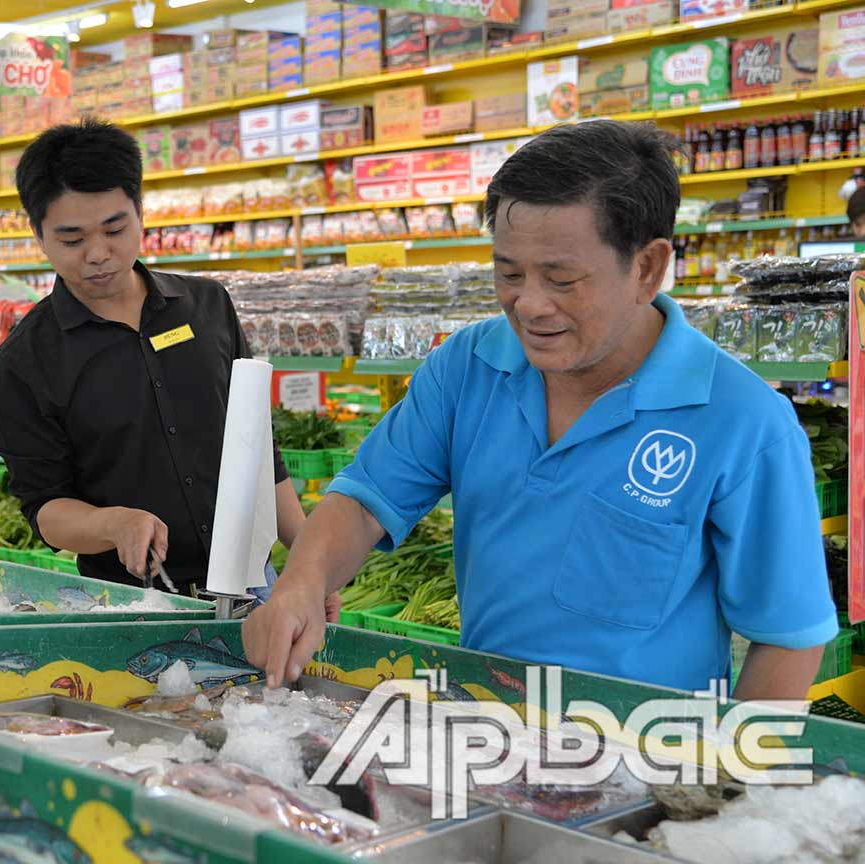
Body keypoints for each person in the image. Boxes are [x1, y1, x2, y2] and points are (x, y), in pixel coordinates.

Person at [243, 120, 835, 700]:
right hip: (483, 736)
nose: (528, 304)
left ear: (647, 268)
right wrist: (301, 582)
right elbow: (367, 501)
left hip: (648, 762)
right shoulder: (467, 367)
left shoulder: (744, 422)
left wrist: (728, 782)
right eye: (508, 273)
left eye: (561, 279)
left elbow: (787, 638)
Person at [0, 119, 317, 600]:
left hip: (253, 585)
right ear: (38, 234)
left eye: (115, 228)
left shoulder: (208, 307)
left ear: (140, 212)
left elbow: (259, 446)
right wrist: (112, 523)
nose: (98, 254)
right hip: (129, 601)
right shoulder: (20, 365)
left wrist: (309, 561)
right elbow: (45, 507)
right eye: (72, 240)